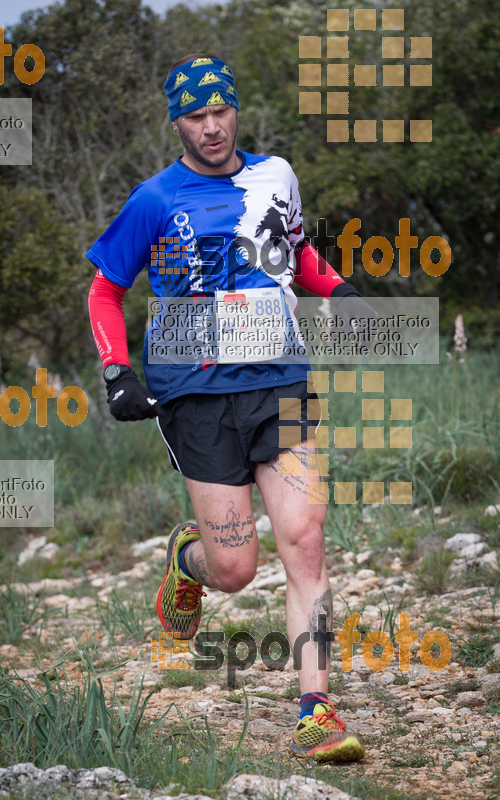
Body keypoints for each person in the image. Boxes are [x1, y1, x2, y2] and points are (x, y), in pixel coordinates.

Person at [86, 53, 369, 763]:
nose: (210, 127)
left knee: (303, 540)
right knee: (236, 568)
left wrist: (338, 289)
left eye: (220, 112)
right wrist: (118, 372)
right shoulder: (153, 199)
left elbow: (294, 253)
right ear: (176, 121)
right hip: (196, 392)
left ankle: (316, 711)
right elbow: (103, 291)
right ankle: (189, 563)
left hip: (281, 377)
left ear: (235, 110)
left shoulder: (275, 176)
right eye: (195, 115)